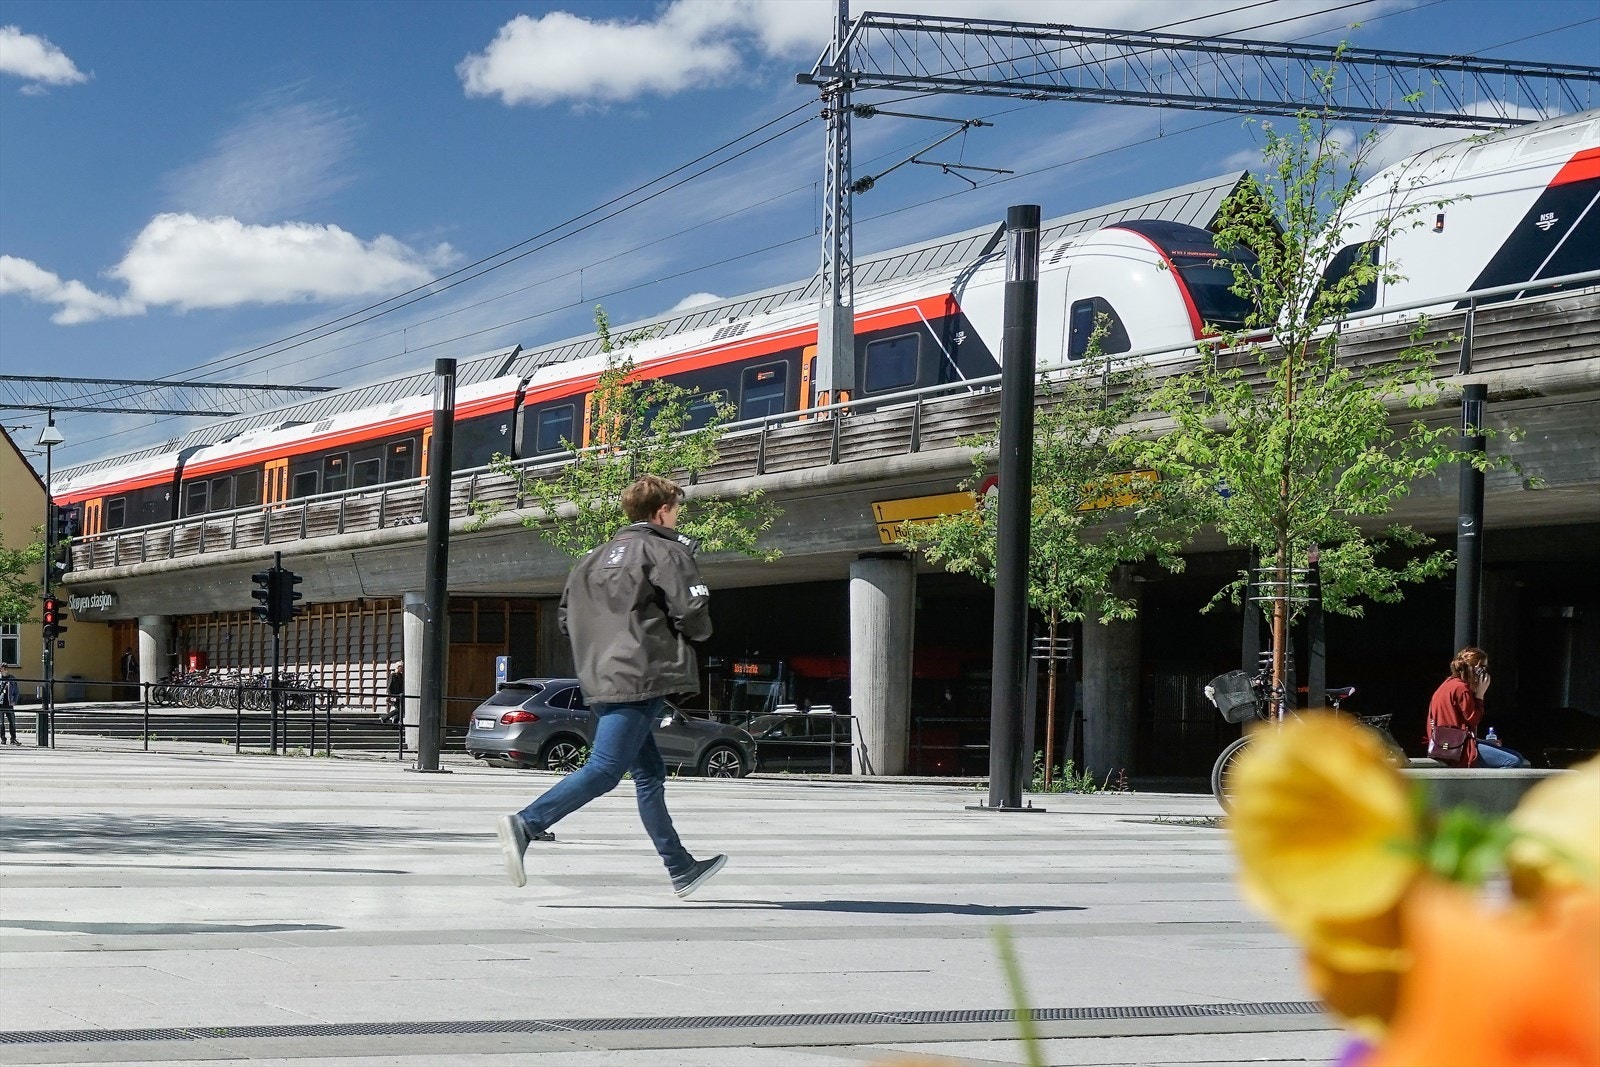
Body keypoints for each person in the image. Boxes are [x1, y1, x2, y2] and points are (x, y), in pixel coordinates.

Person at [495, 474, 727, 899]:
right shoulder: (666, 550)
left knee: (650, 774)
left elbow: (565, 619)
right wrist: (694, 634)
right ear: (662, 511)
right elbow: (693, 610)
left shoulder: (590, 558)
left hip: (601, 675)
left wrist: (600, 650)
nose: (677, 517)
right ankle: (527, 823)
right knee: (605, 769)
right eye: (676, 509)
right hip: (639, 675)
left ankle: (681, 866)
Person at [1427, 646, 1530, 768]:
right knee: (1513, 761)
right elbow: (1473, 719)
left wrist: (1481, 741)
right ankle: (1487, 787)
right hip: (1459, 751)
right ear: (1475, 669)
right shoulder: (1461, 689)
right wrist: (1480, 695)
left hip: (1449, 745)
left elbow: (1459, 725)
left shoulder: (1448, 684)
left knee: (1519, 757)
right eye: (1484, 668)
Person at [1, 668, 20, 745]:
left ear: (6, 670)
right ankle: (3, 739)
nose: (1, 671)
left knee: (12, 722)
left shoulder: (12, 678)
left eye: (3, 670)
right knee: (1, 723)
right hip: (1, 703)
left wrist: (14, 701)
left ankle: (13, 739)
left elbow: (16, 691)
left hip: (9, 703)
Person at [384, 662, 404, 726]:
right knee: (398, 709)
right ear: (398, 667)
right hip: (394, 695)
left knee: (400, 710)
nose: (402, 669)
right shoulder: (392, 675)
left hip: (399, 695)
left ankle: (395, 724)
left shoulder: (400, 676)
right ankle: (385, 717)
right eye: (401, 667)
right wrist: (390, 696)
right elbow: (389, 686)